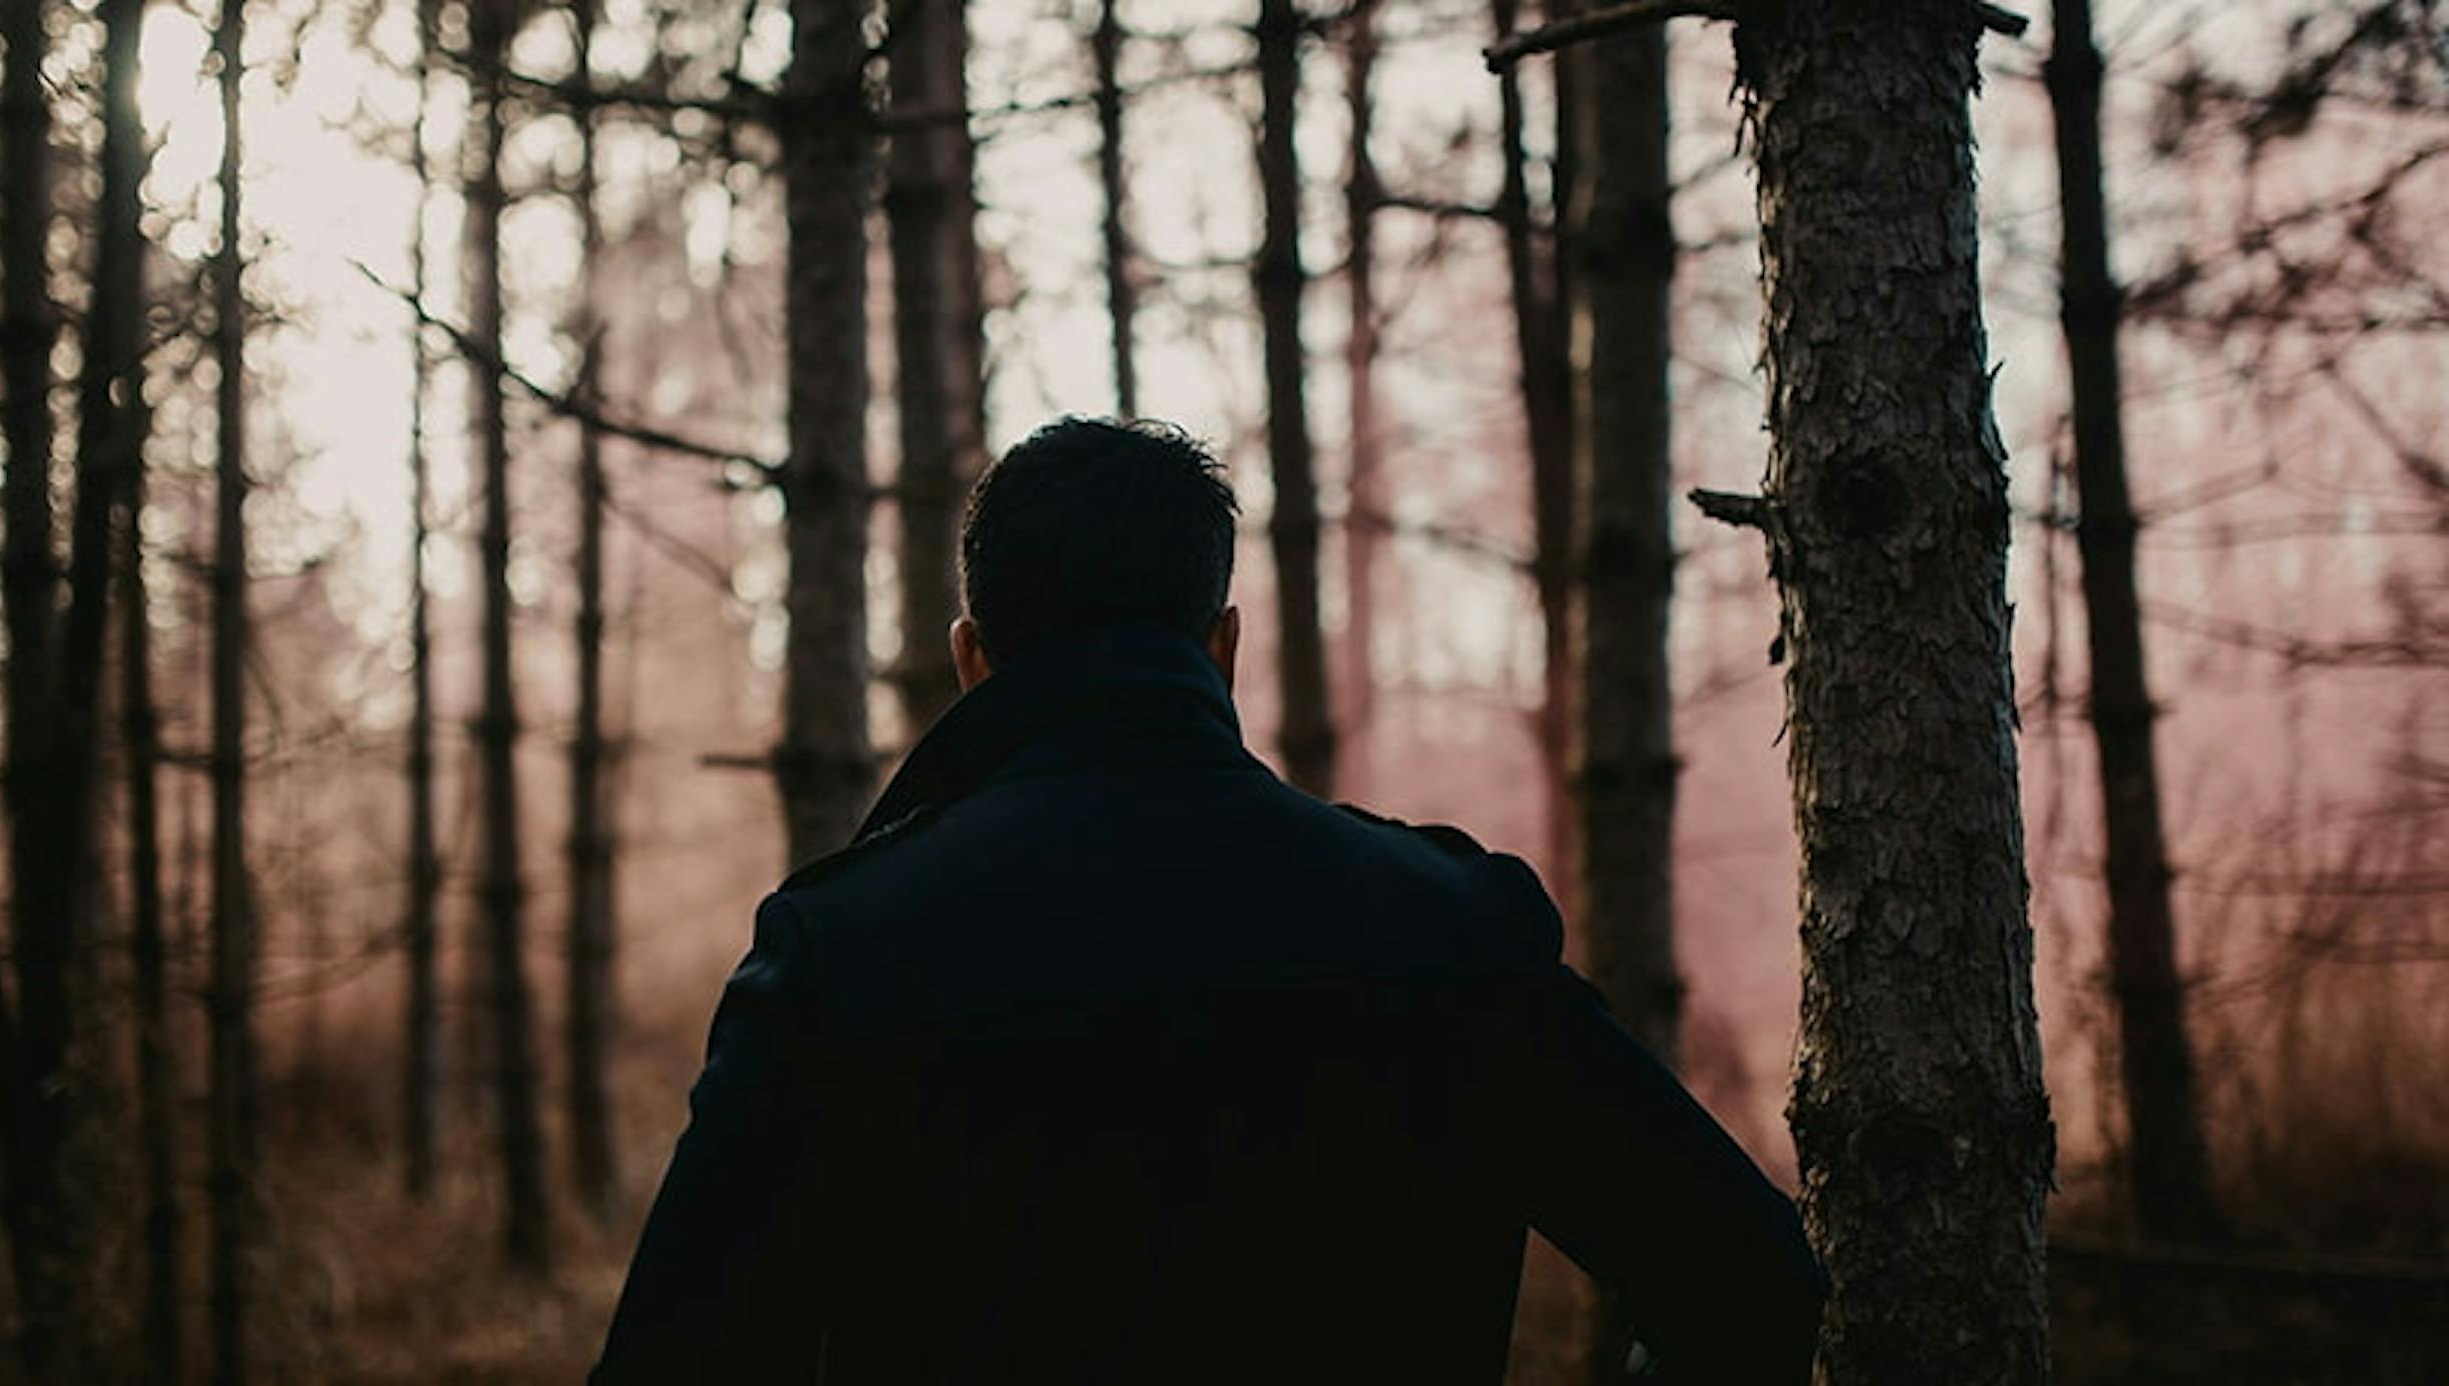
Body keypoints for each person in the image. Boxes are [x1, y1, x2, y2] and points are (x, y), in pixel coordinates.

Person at [592, 417, 1822, 1383]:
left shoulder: (839, 956)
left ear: (973, 660)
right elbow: (1752, 1284)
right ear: (1222, 645)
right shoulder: (1450, 929)